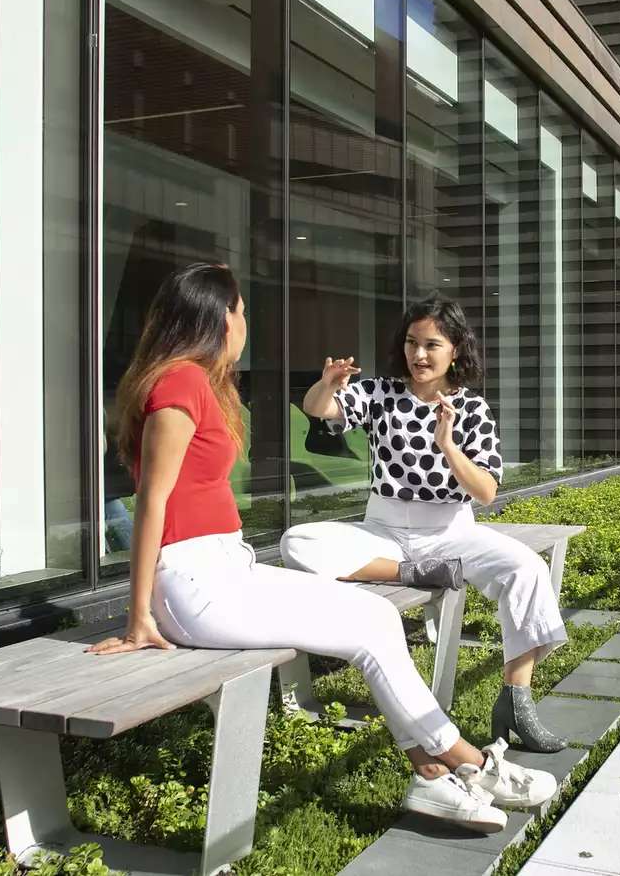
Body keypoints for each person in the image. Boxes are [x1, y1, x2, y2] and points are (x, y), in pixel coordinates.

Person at [84, 263, 555, 834]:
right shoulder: (180, 384)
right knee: (367, 628)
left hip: (228, 567)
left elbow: (485, 488)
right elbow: (151, 504)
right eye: (240, 311)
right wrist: (139, 618)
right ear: (216, 319)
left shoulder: (199, 382)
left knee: (377, 617)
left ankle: (432, 775)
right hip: (195, 584)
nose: (244, 322)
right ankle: (470, 763)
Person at [281, 294, 571, 752]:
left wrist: (448, 445)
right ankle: (410, 575)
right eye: (412, 343)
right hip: (385, 533)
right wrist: (327, 384)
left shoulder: (472, 409)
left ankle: (516, 700)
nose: (418, 355)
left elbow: (487, 492)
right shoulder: (380, 393)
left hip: (453, 533)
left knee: (527, 570)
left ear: (455, 349)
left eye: (432, 344)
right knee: (296, 540)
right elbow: (319, 409)